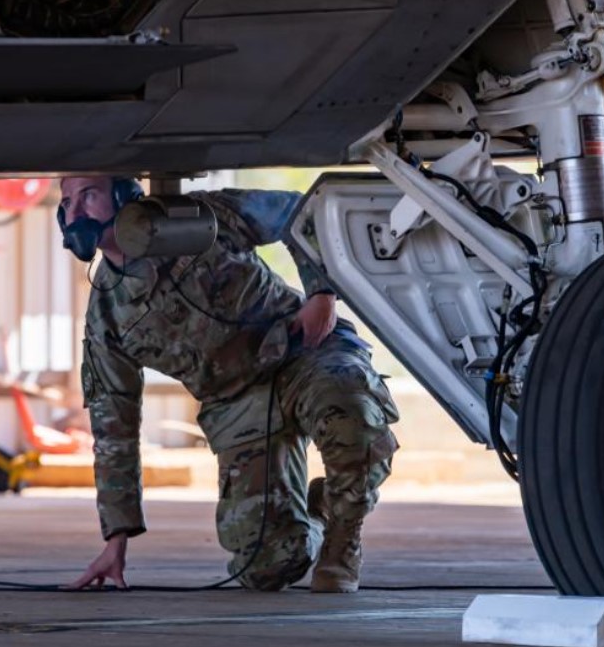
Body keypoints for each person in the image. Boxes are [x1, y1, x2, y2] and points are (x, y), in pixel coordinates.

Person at [57, 175, 399, 593]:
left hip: (303, 351)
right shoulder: (106, 318)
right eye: (66, 202)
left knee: (354, 425)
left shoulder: (203, 219)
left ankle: (343, 543)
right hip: (238, 406)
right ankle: (318, 514)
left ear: (124, 198)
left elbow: (298, 211)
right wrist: (116, 539)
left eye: (89, 195)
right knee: (268, 567)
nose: (74, 212)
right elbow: (114, 429)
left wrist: (321, 292)